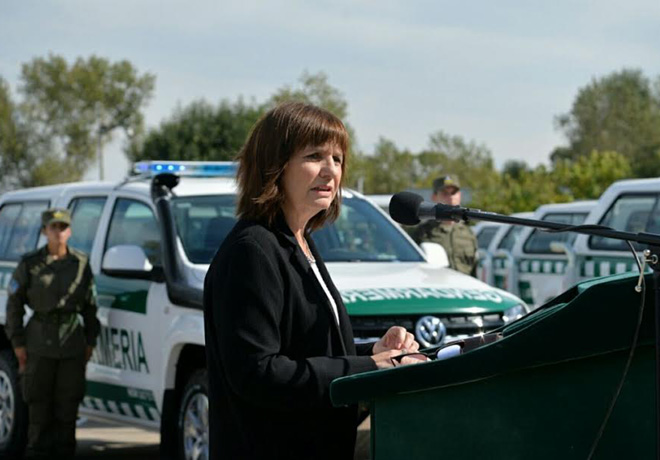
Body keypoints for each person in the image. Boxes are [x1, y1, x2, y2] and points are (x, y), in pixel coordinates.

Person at [204, 102, 425, 460]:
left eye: (337, 159)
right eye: (314, 156)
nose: (330, 170)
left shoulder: (299, 241)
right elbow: (258, 373)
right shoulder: (253, 250)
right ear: (274, 166)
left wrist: (376, 353)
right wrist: (369, 369)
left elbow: (310, 353)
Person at [5, 208, 100, 459]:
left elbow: (91, 306)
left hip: (71, 343)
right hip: (39, 344)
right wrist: (18, 343)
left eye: (63, 227)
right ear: (44, 231)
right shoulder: (30, 264)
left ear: (69, 232)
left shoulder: (80, 264)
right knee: (39, 412)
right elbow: (14, 304)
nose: (58, 232)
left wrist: (90, 341)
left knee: (67, 411)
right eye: (53, 227)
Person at [411, 175, 478, 276]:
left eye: (454, 193)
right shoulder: (423, 233)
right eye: (445, 193)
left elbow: (474, 270)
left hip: (463, 284)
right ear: (434, 197)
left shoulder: (468, 234)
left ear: (459, 196)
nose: (450, 197)